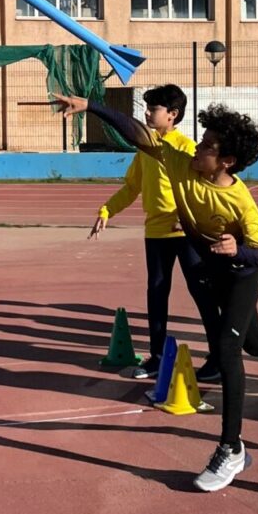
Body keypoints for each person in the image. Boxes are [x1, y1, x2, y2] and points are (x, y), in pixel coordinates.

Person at [53, 93, 258, 492]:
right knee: (254, 342)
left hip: (242, 273)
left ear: (226, 161)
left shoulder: (241, 200)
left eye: (208, 145)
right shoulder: (179, 162)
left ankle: (231, 448)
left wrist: (236, 248)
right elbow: (139, 135)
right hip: (217, 270)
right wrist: (92, 107)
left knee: (227, 348)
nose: (198, 147)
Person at [90, 84, 220, 382]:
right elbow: (132, 187)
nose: (147, 113)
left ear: (172, 115)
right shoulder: (145, 149)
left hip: (187, 233)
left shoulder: (187, 148)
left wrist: (191, 220)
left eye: (153, 109)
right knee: (157, 293)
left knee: (202, 293)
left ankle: (217, 357)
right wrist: (107, 210)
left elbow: (201, 188)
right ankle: (157, 356)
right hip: (156, 232)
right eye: (146, 108)